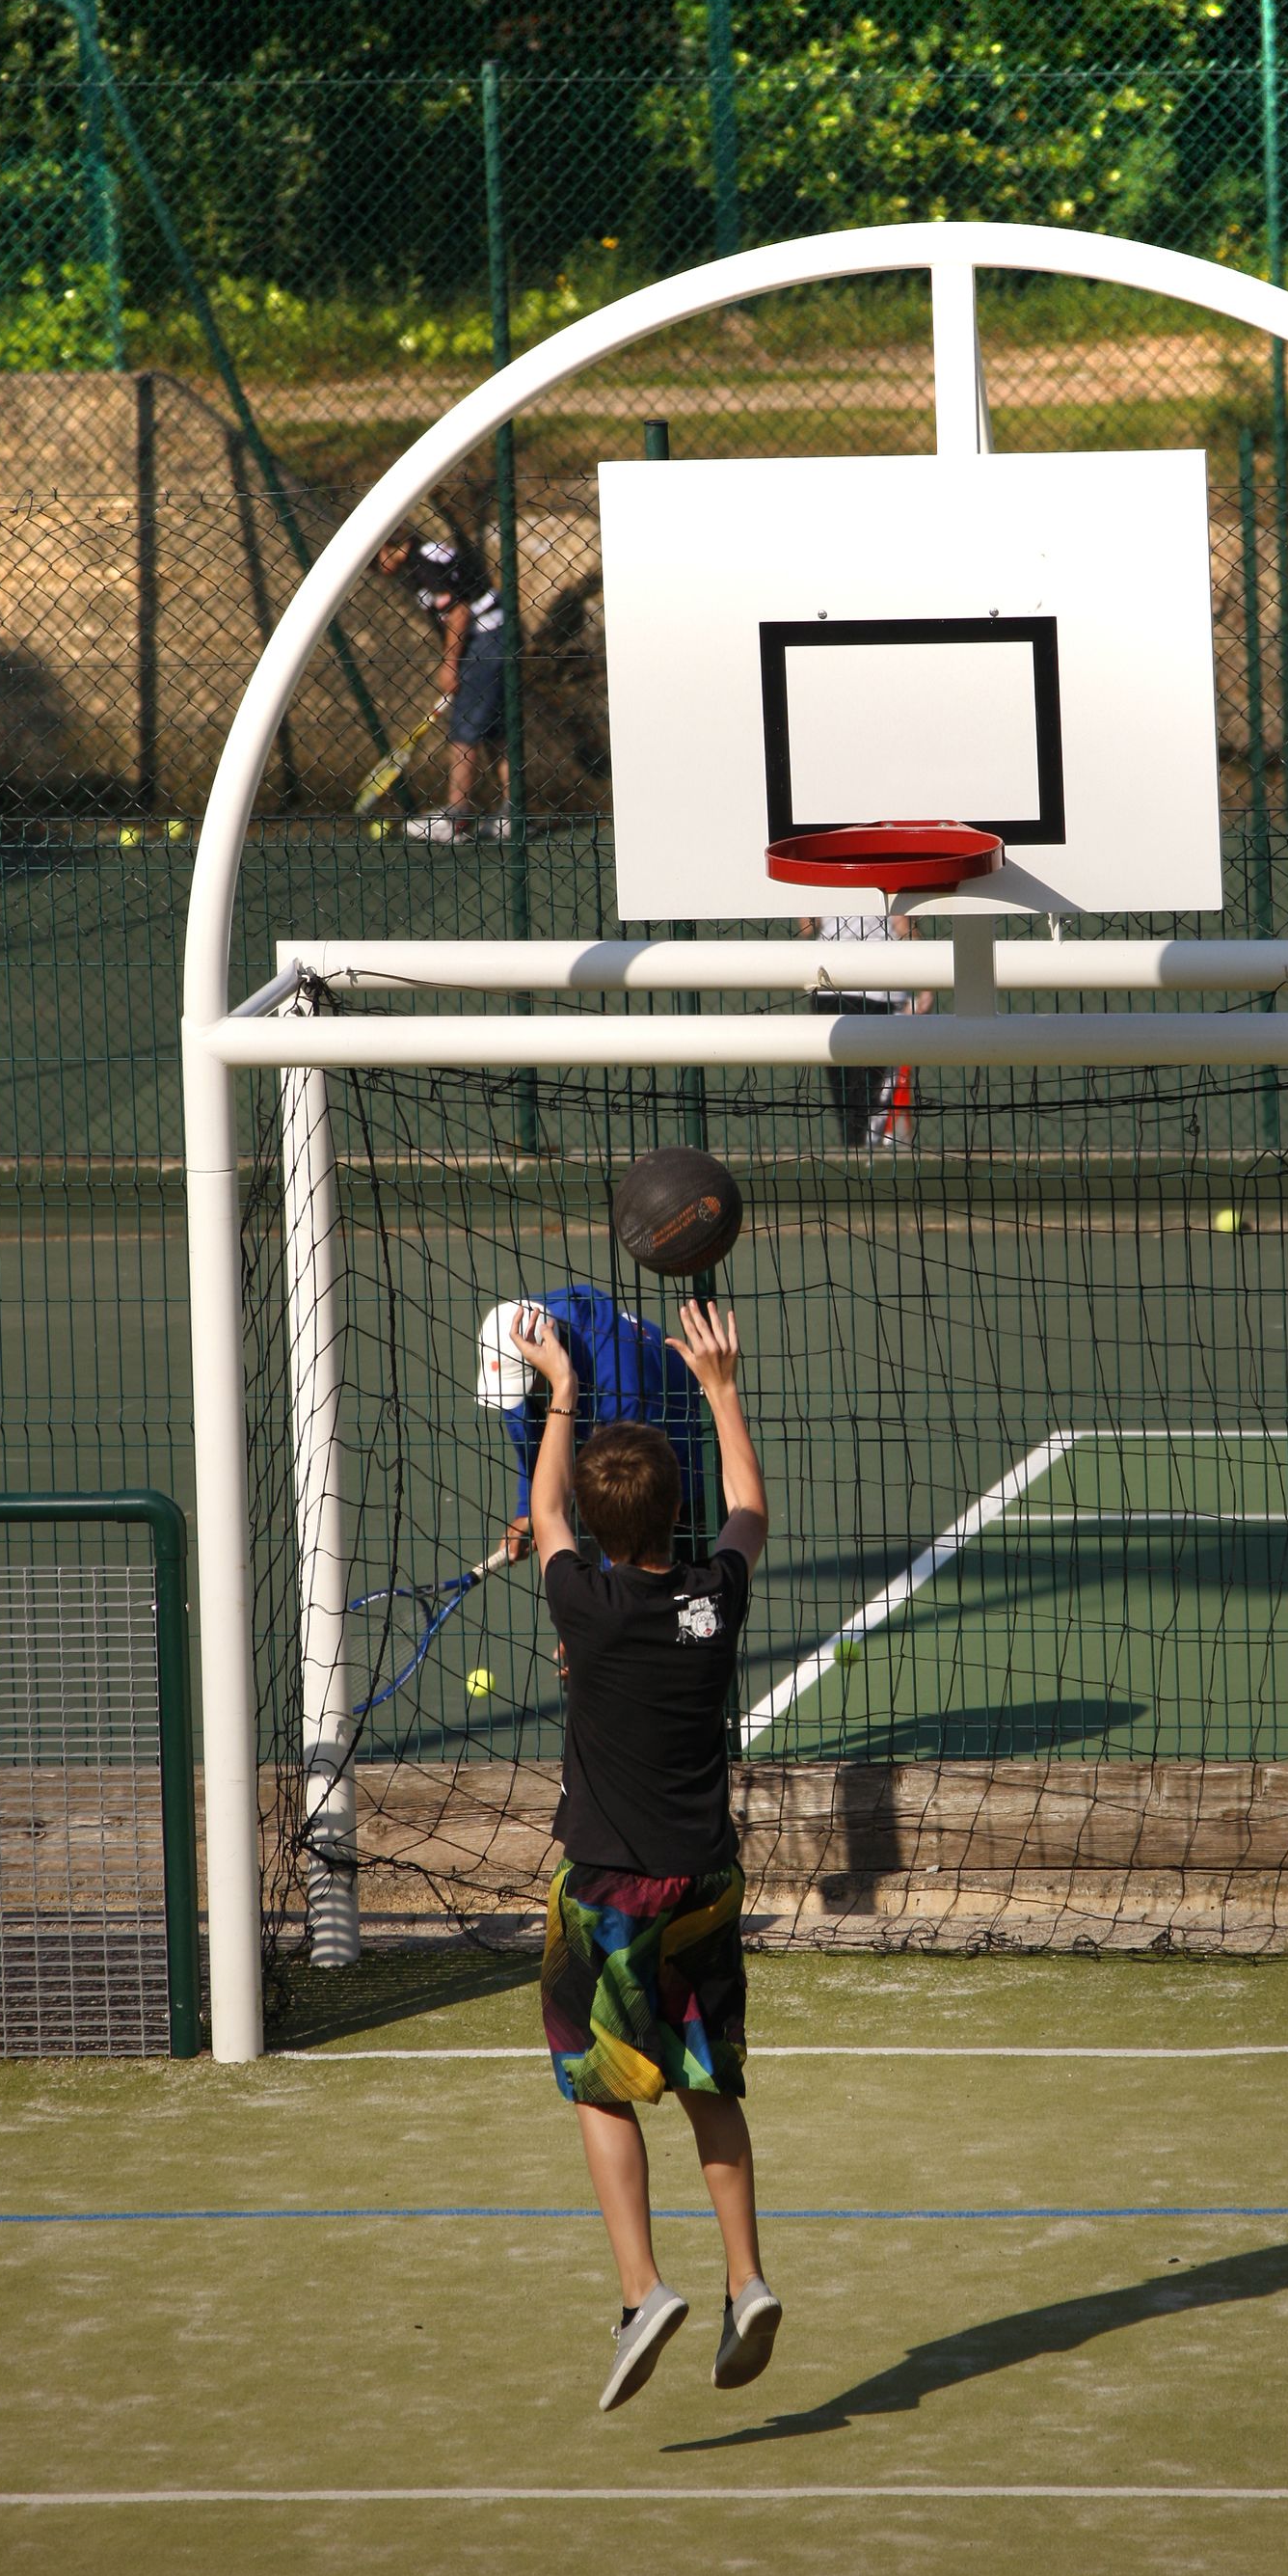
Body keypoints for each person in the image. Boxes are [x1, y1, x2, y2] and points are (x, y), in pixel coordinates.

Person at [510, 1292, 781, 2413]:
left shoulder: (585, 1605)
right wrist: (719, 1389)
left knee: (599, 2085)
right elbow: (750, 1508)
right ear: (678, 1521)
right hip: (707, 1881)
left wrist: (560, 1394)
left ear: (594, 1527)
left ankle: (641, 2292)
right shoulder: (717, 1597)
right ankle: (747, 2280)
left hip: (610, 1886)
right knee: (708, 2079)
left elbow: (546, 1506)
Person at [474, 1282, 712, 1566]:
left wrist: (611, 1592)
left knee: (674, 1582)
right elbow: (532, 1440)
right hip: (598, 1435)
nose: (519, 1397)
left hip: (677, 1449)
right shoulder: (517, 1341)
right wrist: (529, 1511)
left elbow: (632, 1501)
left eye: (527, 1384)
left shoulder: (619, 1380)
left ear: (550, 1355)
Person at [376, 520, 513, 846]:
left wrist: (450, 665)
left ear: (388, 547)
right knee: (494, 729)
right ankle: (513, 813)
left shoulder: (424, 563)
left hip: (488, 637)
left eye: (372, 562)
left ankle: (457, 817)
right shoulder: (421, 561)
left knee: (464, 727)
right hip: (490, 637)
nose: (373, 571)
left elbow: (459, 610)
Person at [801, 908, 934, 1151]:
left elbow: (806, 926)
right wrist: (927, 983)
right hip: (879, 989)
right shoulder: (888, 871)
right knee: (873, 1091)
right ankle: (867, 1155)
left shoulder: (823, 876)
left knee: (846, 1094)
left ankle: (855, 1152)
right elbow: (901, 924)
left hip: (830, 989)